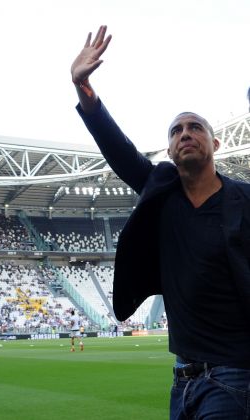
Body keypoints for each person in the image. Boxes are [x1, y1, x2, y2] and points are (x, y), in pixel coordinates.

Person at [71, 25, 250, 419]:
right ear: (168, 148)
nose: (185, 133)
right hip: (182, 381)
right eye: (176, 131)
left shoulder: (243, 199)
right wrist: (84, 89)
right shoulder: (162, 191)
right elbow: (119, 152)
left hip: (236, 377)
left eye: (195, 127)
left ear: (215, 143)